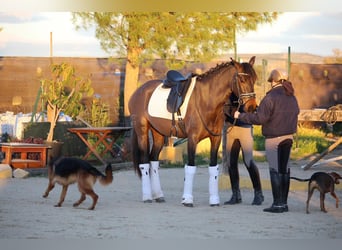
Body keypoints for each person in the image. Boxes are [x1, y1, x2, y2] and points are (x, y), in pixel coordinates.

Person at [234, 69, 299, 213]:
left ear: (273, 81)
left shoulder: (270, 97)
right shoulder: (291, 95)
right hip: (289, 137)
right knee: (285, 170)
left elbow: (260, 119)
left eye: (270, 81)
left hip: (273, 139)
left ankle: (277, 204)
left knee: (275, 170)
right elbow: (296, 112)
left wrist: (241, 115)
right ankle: (284, 204)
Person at [223, 93, 264, 206]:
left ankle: (258, 193)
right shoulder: (229, 95)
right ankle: (236, 195)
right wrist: (231, 114)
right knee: (231, 163)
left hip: (245, 128)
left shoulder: (248, 93)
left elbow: (254, 107)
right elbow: (224, 108)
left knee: (248, 161)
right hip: (231, 128)